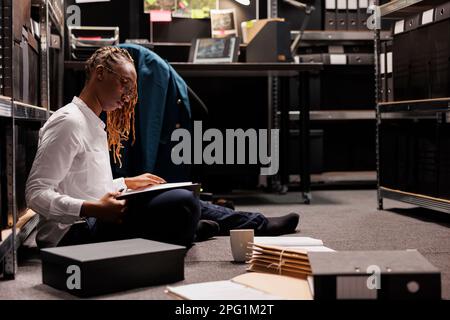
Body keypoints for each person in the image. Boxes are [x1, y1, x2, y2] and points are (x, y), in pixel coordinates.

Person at [26, 46, 299, 249]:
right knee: (180, 204)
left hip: (95, 218)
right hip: (71, 234)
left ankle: (254, 223)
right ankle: (187, 230)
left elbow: (83, 183)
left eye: (132, 89)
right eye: (124, 84)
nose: (128, 95)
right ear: (99, 74)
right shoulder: (68, 121)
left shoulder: (94, 121)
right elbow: (36, 193)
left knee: (183, 195)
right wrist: (91, 209)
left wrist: (124, 182)